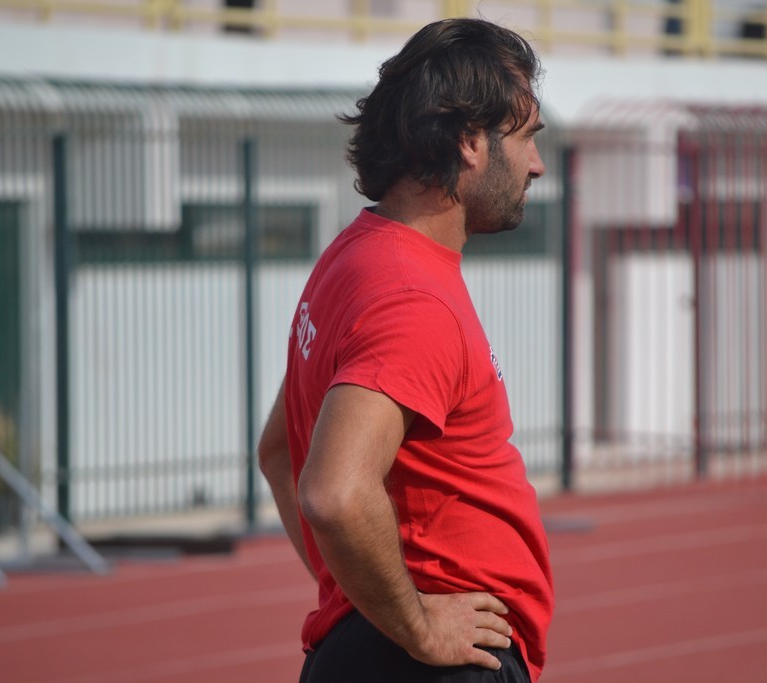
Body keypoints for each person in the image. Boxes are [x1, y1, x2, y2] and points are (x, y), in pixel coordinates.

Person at [257, 17, 554, 683]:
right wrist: (414, 623)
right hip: (434, 663)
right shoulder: (411, 296)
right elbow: (332, 491)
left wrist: (360, 597)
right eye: (527, 137)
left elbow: (279, 452)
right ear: (469, 141)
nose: (537, 164)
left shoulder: (353, 257)